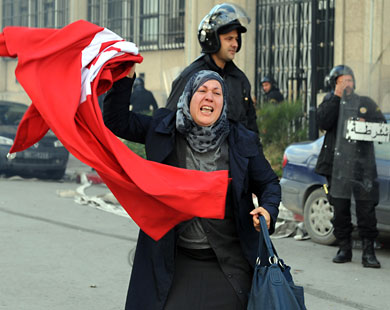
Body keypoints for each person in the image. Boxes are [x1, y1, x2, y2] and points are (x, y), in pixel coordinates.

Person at [103, 66, 281, 310]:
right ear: (188, 96)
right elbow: (116, 121)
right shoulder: (163, 129)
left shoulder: (241, 140)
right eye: (202, 90)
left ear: (223, 103)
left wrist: (268, 209)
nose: (209, 97)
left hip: (228, 261)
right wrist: (125, 77)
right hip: (174, 260)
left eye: (217, 93)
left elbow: (269, 183)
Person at [315, 65, 386, 268]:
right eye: (342, 81)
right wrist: (336, 98)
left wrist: (367, 121)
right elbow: (323, 122)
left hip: (362, 167)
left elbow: (380, 124)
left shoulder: (364, 102)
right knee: (340, 209)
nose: (347, 84)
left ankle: (368, 252)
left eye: (349, 80)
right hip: (337, 167)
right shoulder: (330, 102)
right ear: (334, 83)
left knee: (366, 209)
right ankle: (344, 248)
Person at [165, 3, 258, 134]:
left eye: (237, 39)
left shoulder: (240, 79)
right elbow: (168, 123)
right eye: (229, 39)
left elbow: (251, 127)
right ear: (213, 40)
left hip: (235, 154)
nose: (235, 44)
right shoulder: (191, 76)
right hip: (198, 153)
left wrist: (256, 154)